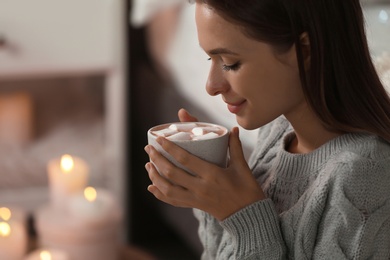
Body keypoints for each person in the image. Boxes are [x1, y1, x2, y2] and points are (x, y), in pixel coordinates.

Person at [144, 0, 390, 259]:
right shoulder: (276, 132)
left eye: (230, 63)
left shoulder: (363, 177)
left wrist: (245, 220)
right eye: (210, 58)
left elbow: (248, 230)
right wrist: (211, 196)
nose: (211, 86)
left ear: (304, 50)